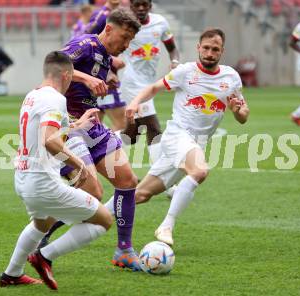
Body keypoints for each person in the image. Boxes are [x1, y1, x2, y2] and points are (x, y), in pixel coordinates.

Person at [0, 51, 113, 290]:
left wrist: (77, 125)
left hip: (23, 178)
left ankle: (12, 273)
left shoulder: (33, 95)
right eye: (71, 77)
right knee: (104, 220)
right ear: (65, 74)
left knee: (42, 223)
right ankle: (44, 256)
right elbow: (51, 142)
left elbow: (46, 134)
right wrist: (80, 165)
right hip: (42, 183)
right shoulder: (55, 99)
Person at [124, 28, 249, 246]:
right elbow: (153, 88)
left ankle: (93, 213)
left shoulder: (231, 78)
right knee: (199, 170)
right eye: (206, 48)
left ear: (222, 51)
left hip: (195, 144)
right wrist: (135, 103)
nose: (210, 53)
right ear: (198, 47)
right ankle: (166, 225)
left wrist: (238, 111)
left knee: (140, 195)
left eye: (215, 49)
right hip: (178, 135)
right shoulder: (185, 72)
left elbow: (243, 116)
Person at [40, 9, 142, 271]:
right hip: (68, 126)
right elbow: (54, 68)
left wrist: (104, 82)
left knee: (128, 181)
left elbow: (82, 84)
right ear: (108, 29)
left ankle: (124, 251)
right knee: (91, 193)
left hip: (92, 126)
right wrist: (87, 77)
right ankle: (42, 229)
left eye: (131, 40)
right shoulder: (84, 44)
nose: (127, 44)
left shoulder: (105, 56)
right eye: (125, 37)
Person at [119, 0, 180, 166]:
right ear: (130, 6)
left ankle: (102, 142)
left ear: (150, 5)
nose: (141, 8)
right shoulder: (124, 24)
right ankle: (162, 179)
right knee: (153, 128)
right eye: (137, 5)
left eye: (144, 4)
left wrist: (174, 62)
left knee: (132, 136)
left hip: (149, 84)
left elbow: (172, 48)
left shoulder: (160, 22)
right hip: (132, 83)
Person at [84, 0, 127, 132]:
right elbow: (86, 38)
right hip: (104, 78)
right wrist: (110, 60)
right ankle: (110, 149)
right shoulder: (102, 14)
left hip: (105, 78)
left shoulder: (119, 14)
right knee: (122, 123)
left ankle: (93, 150)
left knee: (93, 126)